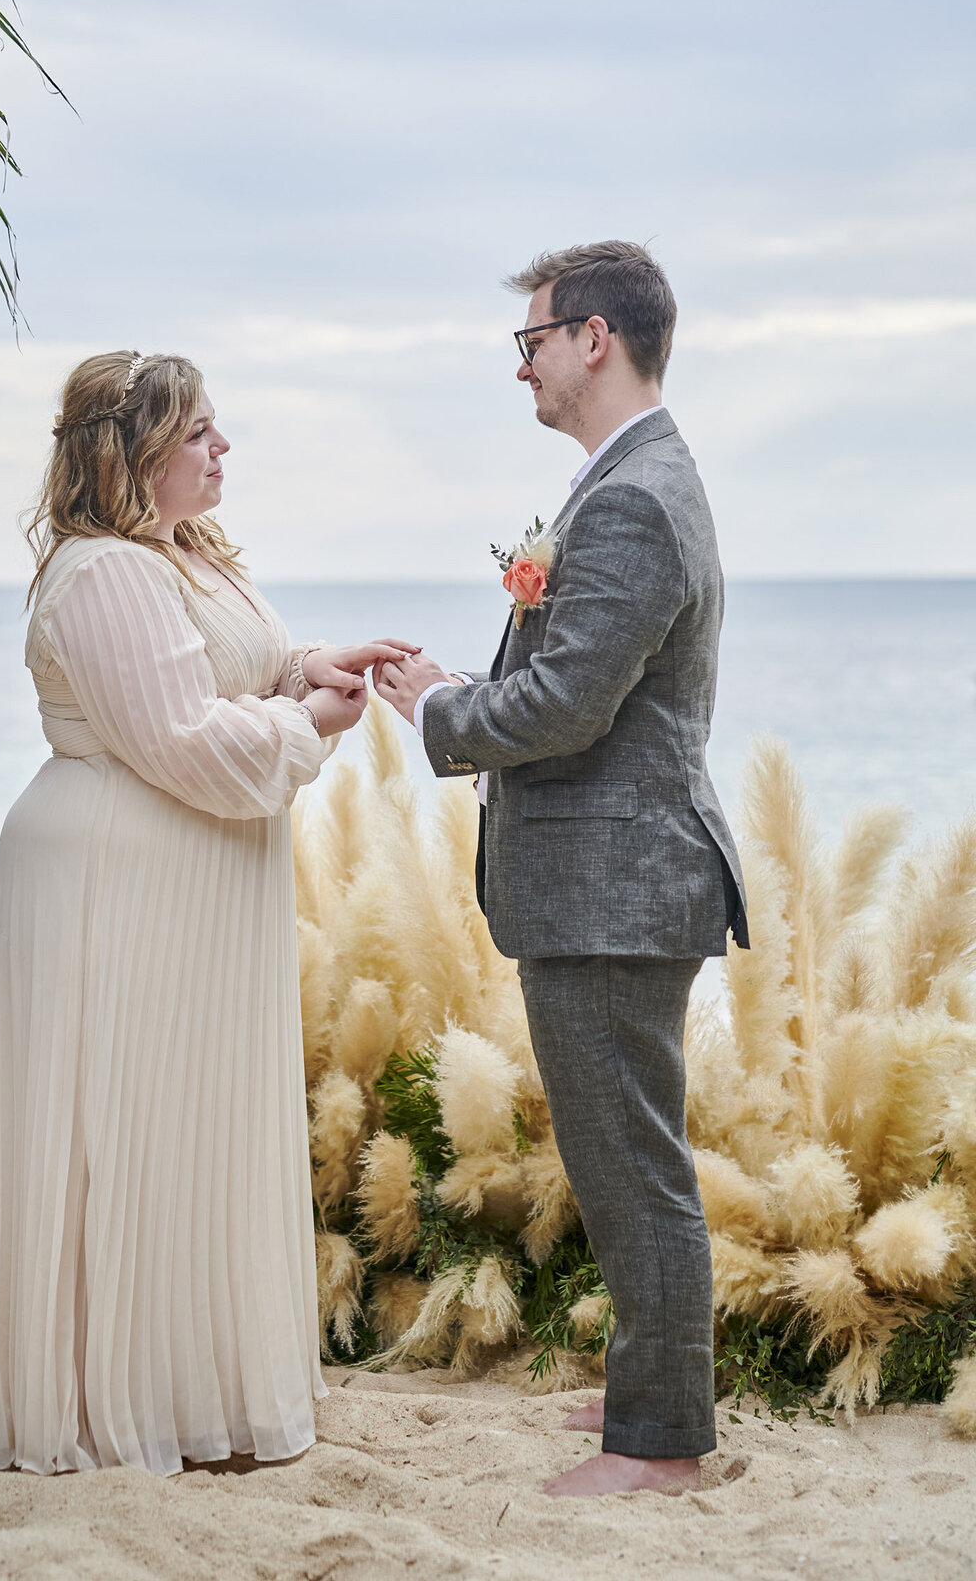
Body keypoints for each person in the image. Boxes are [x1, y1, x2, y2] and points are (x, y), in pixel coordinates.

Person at [0, 350, 415, 1475]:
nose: (223, 449)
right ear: (137, 453)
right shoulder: (103, 573)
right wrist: (309, 724)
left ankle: (190, 1384)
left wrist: (313, 661)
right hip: (119, 881)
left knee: (188, 1121)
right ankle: (123, 1402)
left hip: (190, 882)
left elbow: (228, 671)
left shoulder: (182, 554)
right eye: (201, 432)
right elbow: (183, 742)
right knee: (132, 1123)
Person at [375, 241, 748, 1498]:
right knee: (623, 1155)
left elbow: (571, 705)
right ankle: (657, 1392)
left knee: (633, 1166)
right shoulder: (628, 479)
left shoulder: (635, 496)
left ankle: (665, 1449)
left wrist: (440, 707)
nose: (522, 367)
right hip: (616, 884)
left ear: (596, 338)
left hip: (618, 889)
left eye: (530, 342)